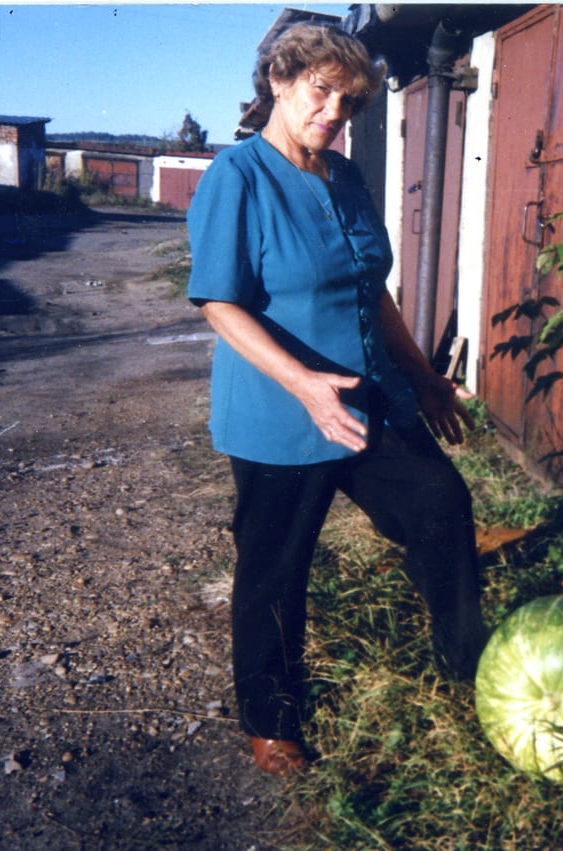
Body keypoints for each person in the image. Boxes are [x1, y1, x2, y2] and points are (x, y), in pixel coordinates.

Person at [186, 23, 487, 778]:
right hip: (280, 411)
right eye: (321, 91)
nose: (333, 112)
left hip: (367, 395)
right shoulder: (238, 176)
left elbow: (371, 289)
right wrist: (302, 383)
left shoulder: (344, 177)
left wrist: (423, 376)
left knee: (440, 503)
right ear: (279, 82)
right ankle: (270, 720)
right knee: (275, 567)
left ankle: (466, 666)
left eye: (348, 102)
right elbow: (220, 302)